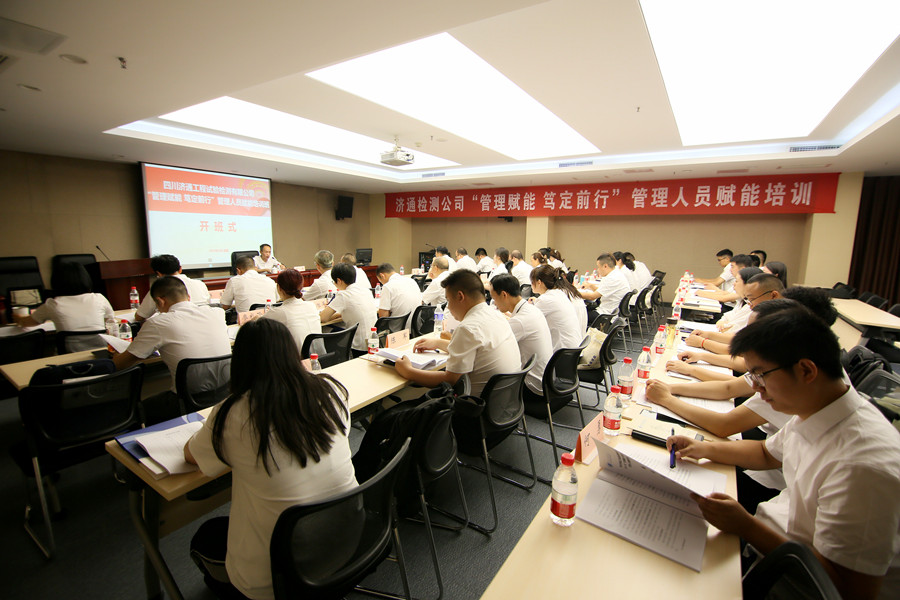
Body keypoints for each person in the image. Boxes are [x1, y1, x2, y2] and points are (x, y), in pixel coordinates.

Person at [667, 309, 900, 600]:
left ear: (806, 371)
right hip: (770, 545)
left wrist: (746, 526)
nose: (756, 388)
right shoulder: (818, 408)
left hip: (793, 584)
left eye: (760, 375)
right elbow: (766, 453)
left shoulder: (863, 466)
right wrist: (704, 448)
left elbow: (847, 590)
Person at [185, 318, 357, 600]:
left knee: (206, 536)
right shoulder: (331, 390)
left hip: (276, 578)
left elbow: (191, 456)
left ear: (240, 362)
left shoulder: (232, 413)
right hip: (346, 544)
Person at [112, 276, 231, 423]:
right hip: (224, 393)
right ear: (188, 297)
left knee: (137, 409)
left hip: (187, 401)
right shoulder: (217, 313)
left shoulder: (158, 323)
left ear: (160, 301)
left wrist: (115, 356)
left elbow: (122, 363)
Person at [394, 270, 520, 397]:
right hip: (504, 400)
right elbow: (476, 349)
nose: (448, 307)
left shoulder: (467, 328)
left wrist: (408, 371)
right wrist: (438, 343)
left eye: (448, 300)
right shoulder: (496, 315)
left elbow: (450, 380)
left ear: (460, 296)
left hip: (474, 404)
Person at [490, 274, 553, 416]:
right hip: (546, 380)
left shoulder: (520, 321)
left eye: (494, 298)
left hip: (532, 388)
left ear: (504, 295)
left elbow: (493, 345)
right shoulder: (531, 309)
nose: (494, 304)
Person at [15, 262, 114, 352]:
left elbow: (26, 322)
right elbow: (110, 323)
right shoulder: (99, 298)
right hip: (102, 354)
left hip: (69, 357)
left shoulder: (53, 304)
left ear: (56, 282)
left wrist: (17, 318)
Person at [318, 263, 377, 355]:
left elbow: (323, 318)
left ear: (339, 280)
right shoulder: (365, 290)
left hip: (358, 345)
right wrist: (336, 315)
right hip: (373, 340)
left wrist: (330, 315)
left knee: (326, 330)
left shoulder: (343, 295)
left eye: (333, 282)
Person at [135, 254, 211, 322]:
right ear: (180, 269)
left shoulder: (159, 288)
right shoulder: (200, 284)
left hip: (175, 326)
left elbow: (140, 316)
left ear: (159, 273)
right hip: (202, 323)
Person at [262, 269, 322, 352]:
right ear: (301, 286)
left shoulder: (279, 312)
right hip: (321, 356)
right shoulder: (311, 306)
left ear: (279, 288)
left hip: (297, 359)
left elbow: (258, 325)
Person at [530, 265, 584, 351]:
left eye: (532, 282)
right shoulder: (559, 293)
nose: (531, 285)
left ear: (539, 282)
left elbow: (528, 321)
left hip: (562, 352)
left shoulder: (545, 299)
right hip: (573, 349)